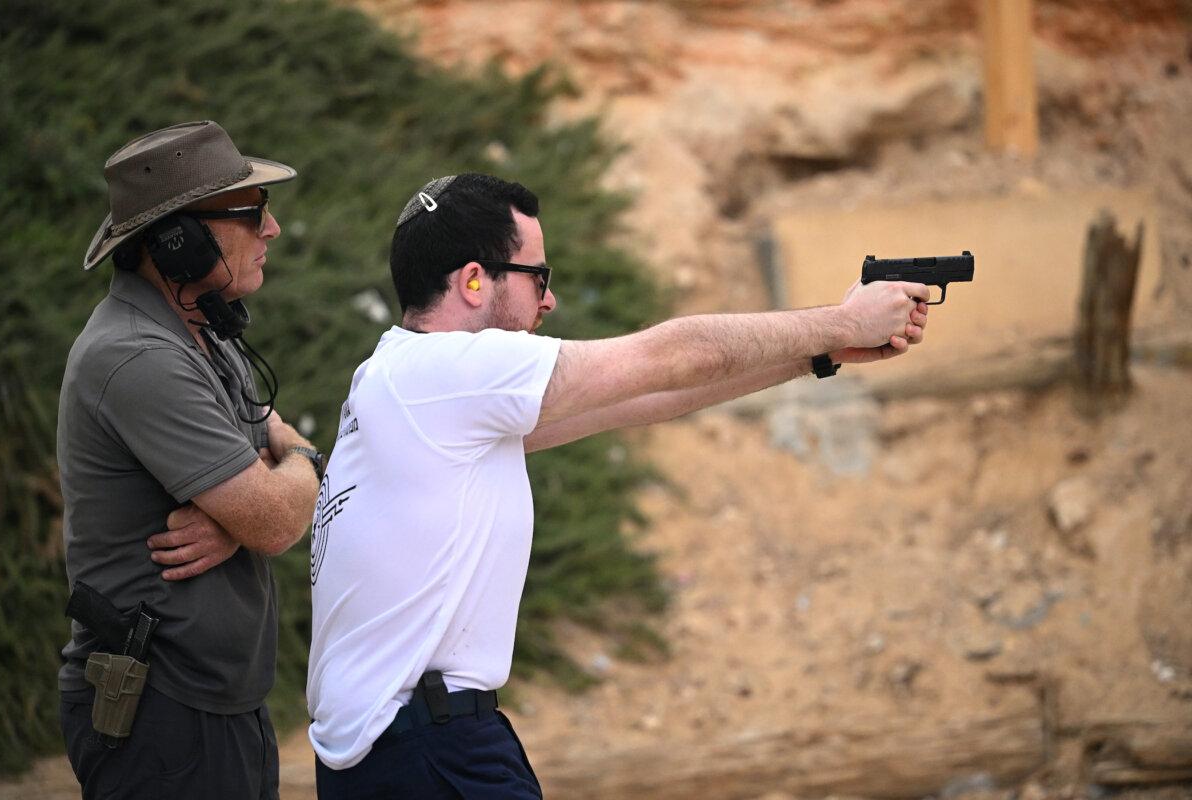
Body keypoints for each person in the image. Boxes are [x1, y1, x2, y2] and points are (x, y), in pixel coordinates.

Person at [307, 173, 930, 798]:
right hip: (431, 751)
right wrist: (838, 320)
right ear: (473, 281)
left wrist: (819, 355)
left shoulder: (408, 384)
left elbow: (648, 396)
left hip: (401, 752)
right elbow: (672, 356)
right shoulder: (445, 372)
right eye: (537, 277)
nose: (547, 302)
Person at [58, 120, 323, 799]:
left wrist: (254, 497)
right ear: (179, 240)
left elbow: (277, 455)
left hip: (212, 704)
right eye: (252, 212)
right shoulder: (140, 357)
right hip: (163, 716)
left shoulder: (200, 329)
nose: (273, 231)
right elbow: (276, 520)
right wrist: (278, 483)